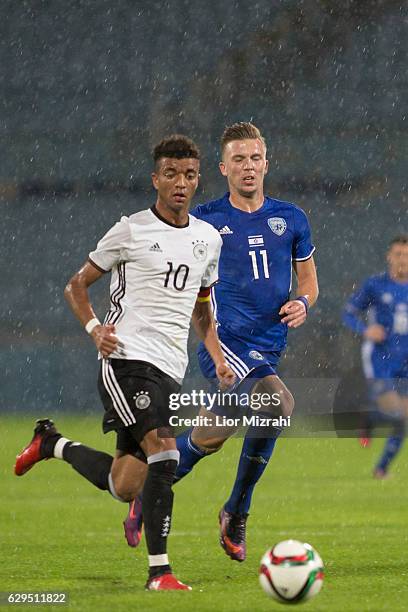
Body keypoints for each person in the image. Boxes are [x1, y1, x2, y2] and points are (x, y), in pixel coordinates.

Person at [14, 135, 235, 591]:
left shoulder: (207, 239)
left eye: (189, 175)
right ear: (156, 179)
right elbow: (76, 285)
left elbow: (201, 307)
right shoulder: (131, 229)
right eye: (171, 174)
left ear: (198, 180)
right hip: (127, 359)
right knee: (167, 452)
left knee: (125, 486)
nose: (180, 183)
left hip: (170, 369)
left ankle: (51, 442)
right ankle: (161, 573)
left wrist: (216, 355)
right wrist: (95, 329)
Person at [123, 122, 319, 561]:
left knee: (212, 434)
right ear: (223, 167)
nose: (247, 167)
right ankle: (237, 510)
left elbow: (308, 280)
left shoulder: (291, 218)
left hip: (267, 348)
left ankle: (153, 490)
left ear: (266, 163)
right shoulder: (205, 220)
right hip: (224, 342)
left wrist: (303, 302)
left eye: (254, 158)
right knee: (279, 403)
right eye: (238, 160)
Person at [343, 235, 408, 478]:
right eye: (398, 255)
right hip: (381, 357)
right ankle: (369, 418)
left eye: (406, 255)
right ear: (389, 257)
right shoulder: (376, 285)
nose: (402, 260)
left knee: (403, 418)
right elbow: (348, 313)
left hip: (406, 359)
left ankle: (381, 468)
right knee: (396, 412)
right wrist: (365, 329)